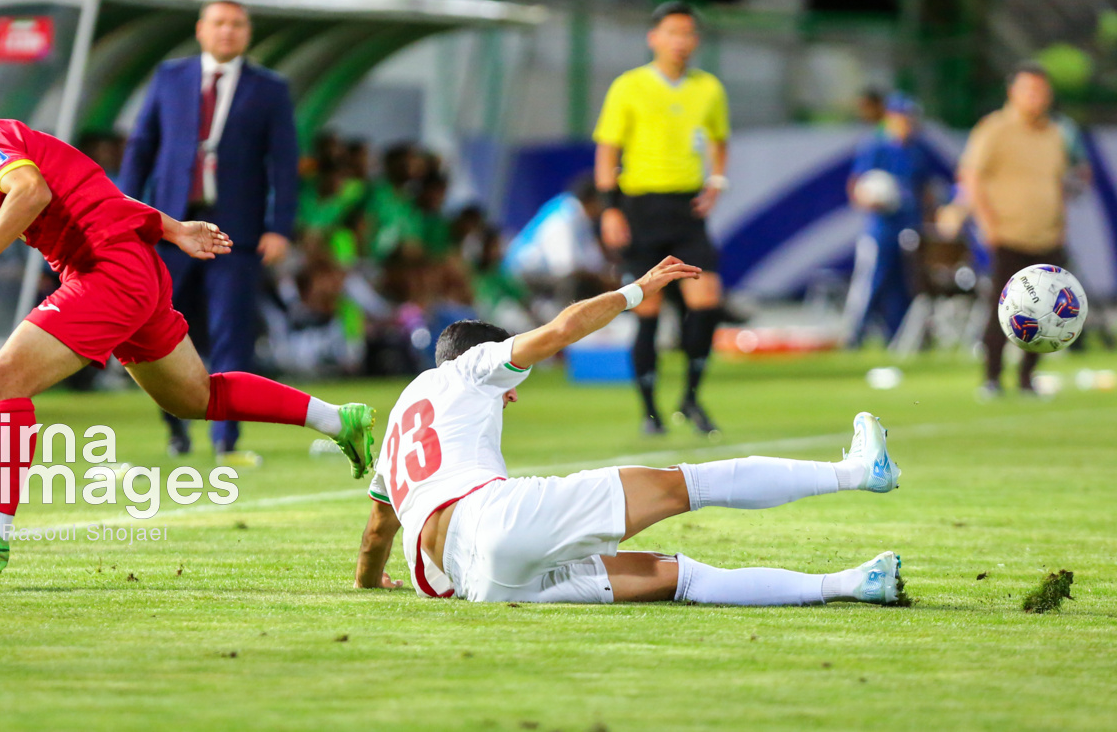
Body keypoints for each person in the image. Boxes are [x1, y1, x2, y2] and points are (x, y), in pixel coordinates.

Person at [0, 84, 375, 573]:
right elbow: (93, 188)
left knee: (4, 380)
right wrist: (170, 228)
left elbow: (31, 190)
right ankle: (337, 420)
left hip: (108, 272)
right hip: (129, 267)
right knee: (194, 398)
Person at [351, 256, 904, 605]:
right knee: (686, 483)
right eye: (510, 383)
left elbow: (380, 527)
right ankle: (857, 471)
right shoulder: (470, 368)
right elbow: (563, 328)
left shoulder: (402, 413)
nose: (513, 392)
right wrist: (639, 289)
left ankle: (854, 584)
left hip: (479, 585)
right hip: (492, 518)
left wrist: (369, 584)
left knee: (674, 577)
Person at [118, 0, 298, 464]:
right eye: (219, 23)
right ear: (201, 29)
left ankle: (226, 441)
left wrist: (279, 228)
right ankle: (175, 430)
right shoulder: (170, 78)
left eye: (237, 24)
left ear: (248, 33)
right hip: (172, 228)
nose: (227, 32)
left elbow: (284, 164)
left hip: (233, 233)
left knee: (231, 336)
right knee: (158, 331)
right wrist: (123, 210)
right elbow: (141, 147)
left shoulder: (270, 88)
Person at [594, 1, 731, 436]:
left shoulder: (708, 88)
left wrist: (717, 182)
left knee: (707, 301)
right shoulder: (628, 87)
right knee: (646, 307)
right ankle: (650, 410)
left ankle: (690, 397)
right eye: (673, 32)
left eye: (689, 33)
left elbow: (719, 140)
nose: (681, 41)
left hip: (687, 210)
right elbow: (608, 151)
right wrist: (609, 207)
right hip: (641, 208)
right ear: (654, 37)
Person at [959, 62, 1089, 396]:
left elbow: (1061, 182)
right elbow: (971, 177)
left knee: (1049, 314)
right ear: (1012, 92)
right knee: (1004, 309)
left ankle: (1027, 378)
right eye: (1029, 90)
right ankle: (991, 378)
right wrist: (988, 224)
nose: (1037, 97)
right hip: (1008, 235)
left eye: (1042, 91)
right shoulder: (994, 128)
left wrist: (1061, 223)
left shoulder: (1056, 133)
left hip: (1047, 235)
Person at [843, 93, 942, 347]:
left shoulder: (917, 149)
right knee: (872, 280)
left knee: (905, 284)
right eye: (901, 117)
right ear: (890, 118)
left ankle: (897, 337)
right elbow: (857, 185)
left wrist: (930, 219)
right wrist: (869, 200)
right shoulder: (875, 145)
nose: (906, 122)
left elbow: (925, 189)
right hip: (882, 227)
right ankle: (855, 335)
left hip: (909, 225)